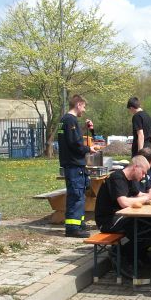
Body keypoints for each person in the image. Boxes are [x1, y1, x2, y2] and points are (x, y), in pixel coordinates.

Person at [95, 156, 151, 261]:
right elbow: (124, 202)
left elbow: (139, 195)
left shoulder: (130, 179)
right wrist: (148, 197)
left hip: (121, 217)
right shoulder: (117, 178)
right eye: (143, 172)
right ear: (135, 167)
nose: (144, 176)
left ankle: (141, 253)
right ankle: (122, 254)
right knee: (144, 228)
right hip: (108, 221)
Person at [57, 94, 98, 238]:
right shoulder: (70, 120)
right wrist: (88, 149)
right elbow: (75, 144)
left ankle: (78, 224)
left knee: (79, 195)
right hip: (74, 165)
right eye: (84, 106)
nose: (84, 110)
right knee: (76, 196)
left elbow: (74, 139)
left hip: (73, 164)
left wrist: (89, 129)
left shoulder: (66, 121)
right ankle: (72, 228)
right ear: (78, 104)